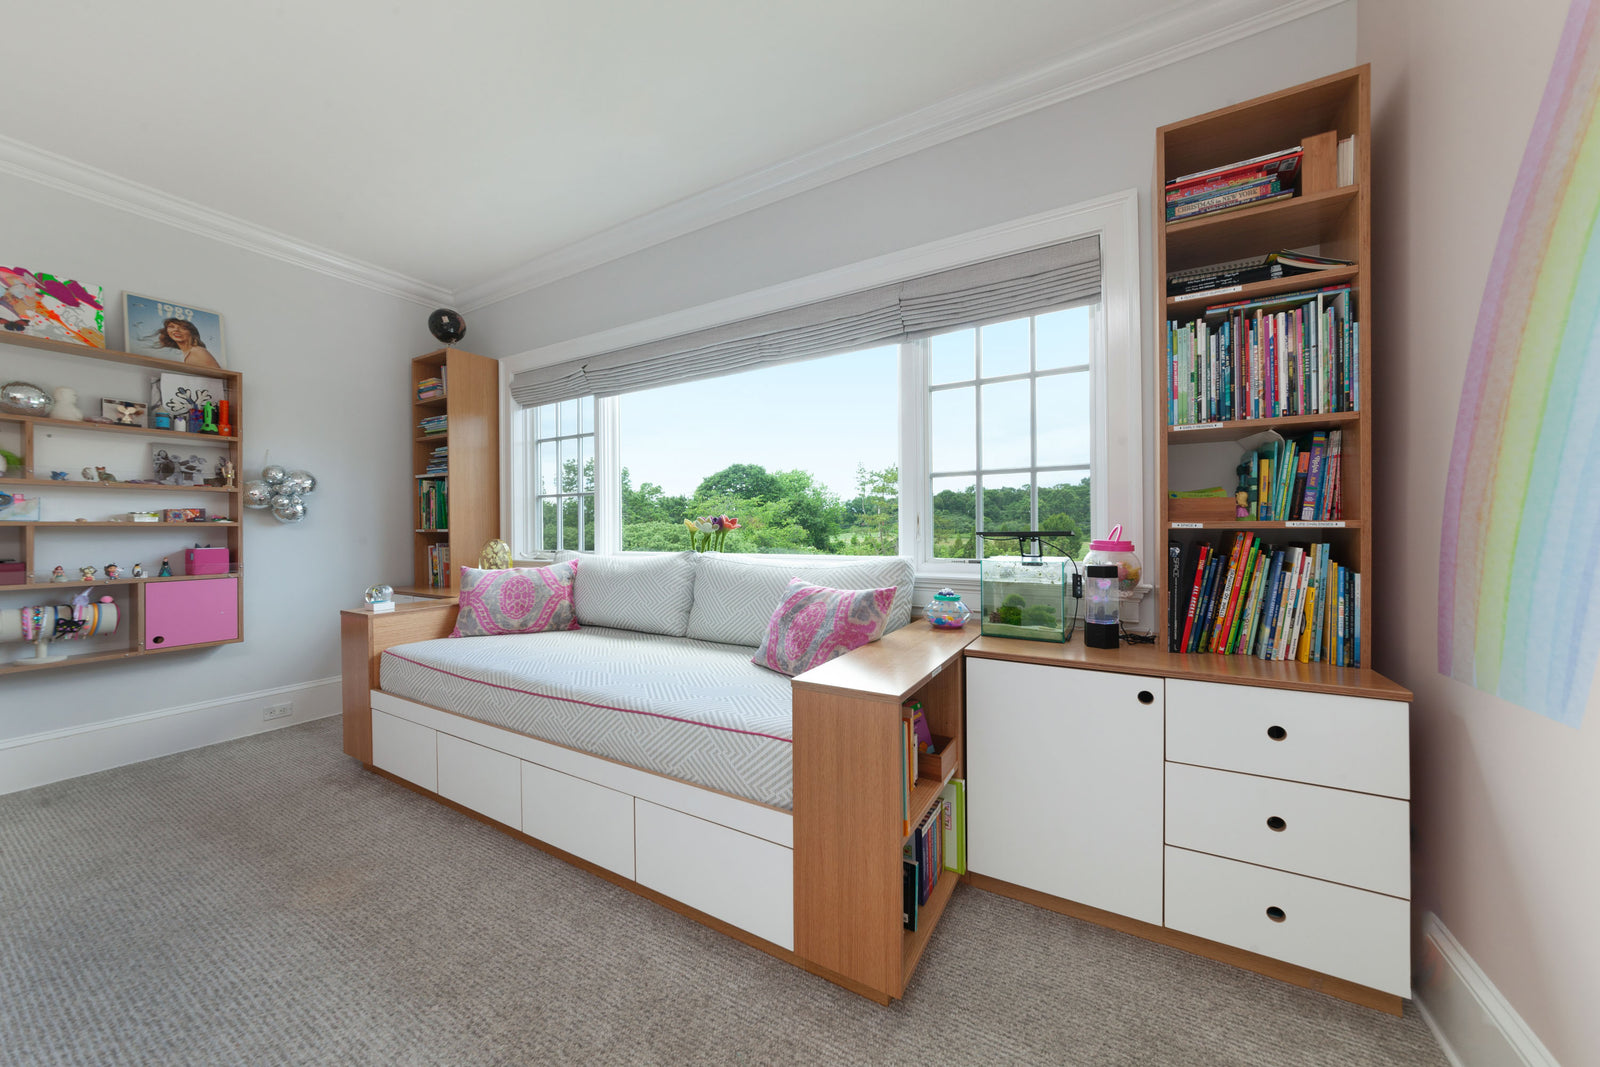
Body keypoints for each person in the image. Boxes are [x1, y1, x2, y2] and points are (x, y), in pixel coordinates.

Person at [153, 317, 220, 368]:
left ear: (191, 333)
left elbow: (217, 377)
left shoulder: (198, 351)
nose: (176, 330)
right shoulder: (187, 354)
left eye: (183, 328)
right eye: (171, 327)